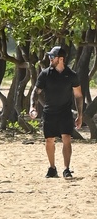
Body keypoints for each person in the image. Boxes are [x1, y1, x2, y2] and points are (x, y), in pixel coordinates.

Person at [30, 44, 84, 179]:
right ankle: (52, 168)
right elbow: (35, 92)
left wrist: (80, 115)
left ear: (60, 59)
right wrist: (32, 106)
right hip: (49, 112)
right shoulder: (45, 73)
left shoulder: (71, 75)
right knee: (49, 140)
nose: (49, 59)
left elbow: (78, 95)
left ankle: (66, 169)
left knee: (66, 138)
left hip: (65, 112)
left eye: (52, 57)